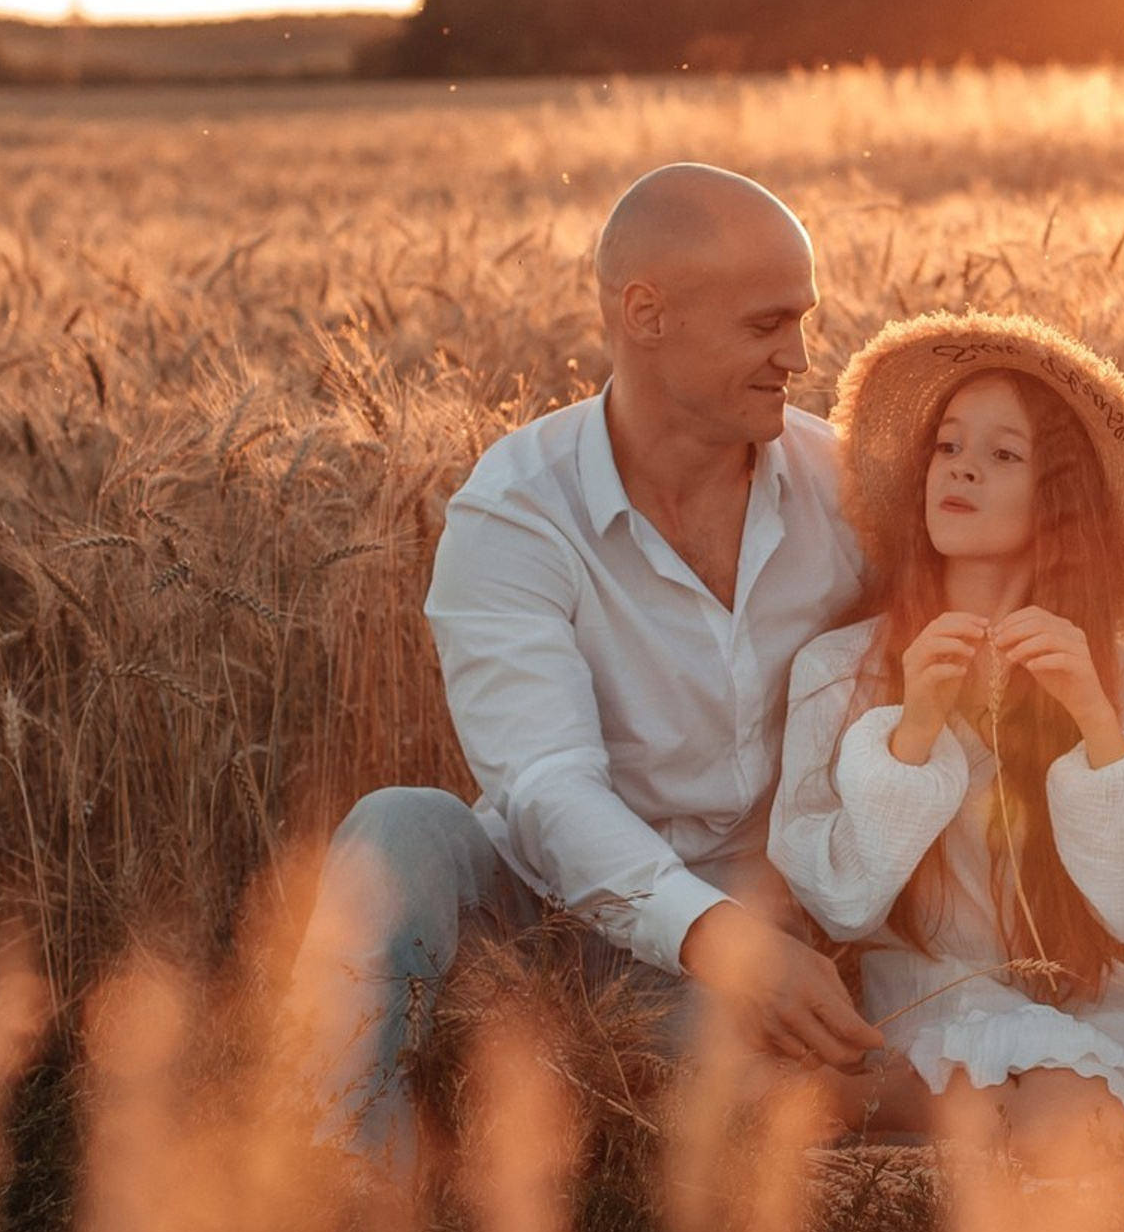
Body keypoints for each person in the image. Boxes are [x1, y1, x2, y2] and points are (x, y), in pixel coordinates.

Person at [285, 164, 884, 1171]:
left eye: (803, 321)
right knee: (397, 830)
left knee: (829, 1090)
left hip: (756, 956)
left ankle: (557, 1096)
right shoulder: (517, 509)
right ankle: (339, 1191)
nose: (799, 355)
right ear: (645, 313)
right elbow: (545, 789)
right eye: (764, 325)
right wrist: (719, 942)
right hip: (537, 927)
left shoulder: (844, 490)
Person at [768, 311, 1124, 1168]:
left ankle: (914, 1119)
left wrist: (1095, 721)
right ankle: (871, 1097)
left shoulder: (1118, 679)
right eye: (948, 447)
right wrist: (911, 734)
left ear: (1056, 497)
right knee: (1078, 1116)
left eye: (1003, 454)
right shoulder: (843, 668)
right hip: (927, 1010)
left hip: (1076, 1007)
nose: (963, 467)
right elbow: (843, 902)